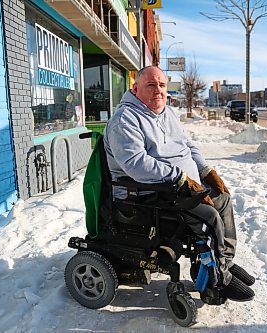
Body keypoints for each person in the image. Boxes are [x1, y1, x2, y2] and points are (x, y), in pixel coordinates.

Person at [103, 66, 255, 302]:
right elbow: (136, 164)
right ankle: (218, 281)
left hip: (180, 188)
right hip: (148, 192)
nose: (158, 91)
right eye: (151, 85)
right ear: (135, 88)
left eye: (162, 85)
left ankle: (223, 262)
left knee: (222, 200)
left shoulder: (168, 113)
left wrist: (206, 171)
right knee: (210, 216)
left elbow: (188, 145)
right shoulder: (125, 120)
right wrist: (180, 178)